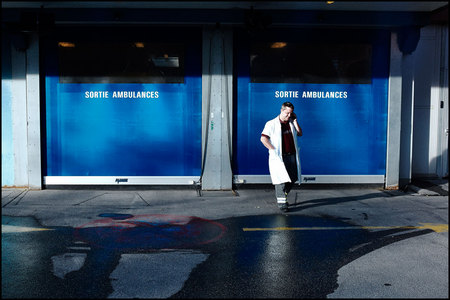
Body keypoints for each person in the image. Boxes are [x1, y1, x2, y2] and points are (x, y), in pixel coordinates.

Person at [260, 102, 302, 212]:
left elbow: (300, 133)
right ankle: (282, 204)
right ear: (281, 110)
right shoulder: (271, 123)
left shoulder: (291, 123)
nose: (289, 115)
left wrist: (295, 121)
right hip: (279, 157)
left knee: (293, 178)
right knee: (280, 180)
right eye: (287, 113)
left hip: (291, 155)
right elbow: (263, 139)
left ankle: (283, 195)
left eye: (291, 113)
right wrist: (272, 150)